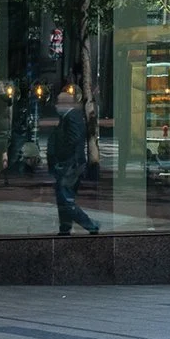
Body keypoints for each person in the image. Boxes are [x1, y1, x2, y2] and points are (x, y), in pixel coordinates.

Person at [47, 89, 101, 235]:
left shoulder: (72, 117)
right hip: (70, 165)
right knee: (63, 199)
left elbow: (73, 140)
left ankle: (90, 225)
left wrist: (61, 159)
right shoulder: (69, 117)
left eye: (58, 102)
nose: (56, 105)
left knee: (66, 199)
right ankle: (65, 228)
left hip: (71, 165)